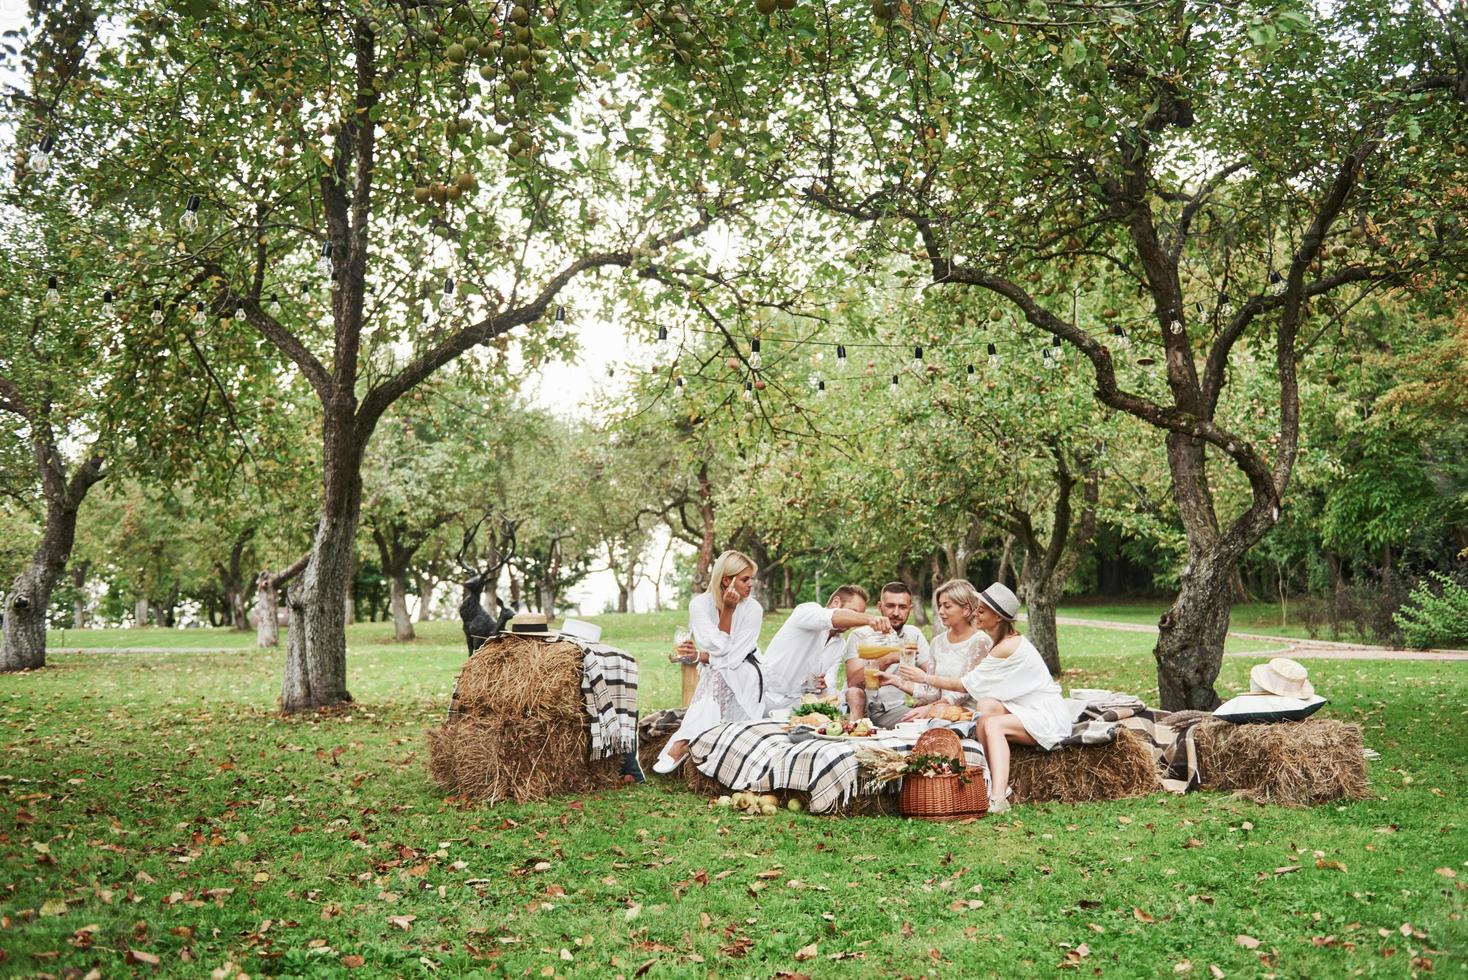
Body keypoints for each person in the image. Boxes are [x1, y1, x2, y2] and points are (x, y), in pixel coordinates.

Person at [892, 581, 1069, 815]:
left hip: (1046, 715)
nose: (977, 612)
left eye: (982, 610)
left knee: (991, 723)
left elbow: (965, 684)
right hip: (1026, 707)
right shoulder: (1001, 642)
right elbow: (980, 691)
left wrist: (925, 677)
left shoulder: (1005, 646)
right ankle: (993, 781)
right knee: (985, 709)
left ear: (997, 617)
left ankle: (998, 796)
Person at [653, 550, 765, 775]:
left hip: (746, 670)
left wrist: (699, 656)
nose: (751, 584)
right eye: (745, 579)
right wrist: (727, 614)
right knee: (716, 675)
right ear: (727, 580)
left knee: (717, 674)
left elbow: (731, 657)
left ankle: (682, 742)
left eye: (751, 578)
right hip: (717, 673)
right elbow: (718, 648)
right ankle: (691, 743)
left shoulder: (753, 609)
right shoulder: (700, 605)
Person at [762, 585, 890, 712]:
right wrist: (869, 619)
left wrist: (823, 687)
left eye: (859, 615)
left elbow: (830, 685)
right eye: (853, 612)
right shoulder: (807, 611)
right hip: (765, 698)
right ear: (836, 602)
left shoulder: (839, 644)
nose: (855, 620)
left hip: (796, 706)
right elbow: (830, 617)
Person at [878, 578, 991, 718]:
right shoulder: (937, 642)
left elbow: (965, 690)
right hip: (940, 713)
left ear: (966, 609)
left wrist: (930, 707)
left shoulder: (980, 641)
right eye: (939, 606)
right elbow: (932, 691)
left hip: (968, 714)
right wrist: (895, 680)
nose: (941, 611)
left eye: (947, 606)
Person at [843, 581, 931, 726]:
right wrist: (889, 658)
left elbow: (931, 673)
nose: (896, 613)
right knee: (854, 694)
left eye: (902, 607)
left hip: (892, 710)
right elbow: (853, 682)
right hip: (857, 707)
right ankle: (856, 731)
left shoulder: (913, 635)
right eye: (890, 606)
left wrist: (928, 699)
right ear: (880, 607)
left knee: (929, 725)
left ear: (910, 609)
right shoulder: (860, 635)